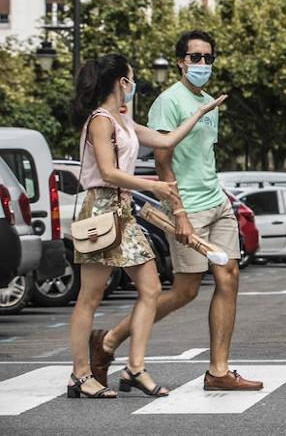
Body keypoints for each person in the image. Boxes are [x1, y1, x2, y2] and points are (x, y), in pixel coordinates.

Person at [95, 30, 262, 392]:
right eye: (195, 57)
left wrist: (223, 198)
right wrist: (180, 213)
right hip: (186, 206)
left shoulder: (208, 103)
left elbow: (203, 157)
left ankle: (218, 371)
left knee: (229, 275)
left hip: (217, 202)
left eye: (208, 58)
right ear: (181, 61)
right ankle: (109, 339)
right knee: (185, 291)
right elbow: (163, 161)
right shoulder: (169, 101)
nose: (202, 64)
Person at [67, 54, 224, 399]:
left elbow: (165, 141)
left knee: (151, 289)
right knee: (89, 298)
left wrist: (198, 113)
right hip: (100, 211)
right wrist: (152, 186)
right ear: (121, 83)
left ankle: (135, 367)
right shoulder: (101, 121)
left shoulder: (123, 121)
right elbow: (107, 172)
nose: (135, 84)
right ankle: (80, 375)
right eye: (132, 78)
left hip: (123, 211)